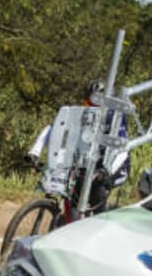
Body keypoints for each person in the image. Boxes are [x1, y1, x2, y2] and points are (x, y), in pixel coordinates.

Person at [26, 81, 130, 212]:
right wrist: (34, 152)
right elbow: (54, 129)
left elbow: (122, 150)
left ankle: (101, 222)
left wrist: (106, 171)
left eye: (96, 105)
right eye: (88, 103)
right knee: (75, 193)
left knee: (97, 192)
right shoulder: (84, 114)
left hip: (117, 165)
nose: (91, 108)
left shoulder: (115, 116)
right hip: (91, 161)